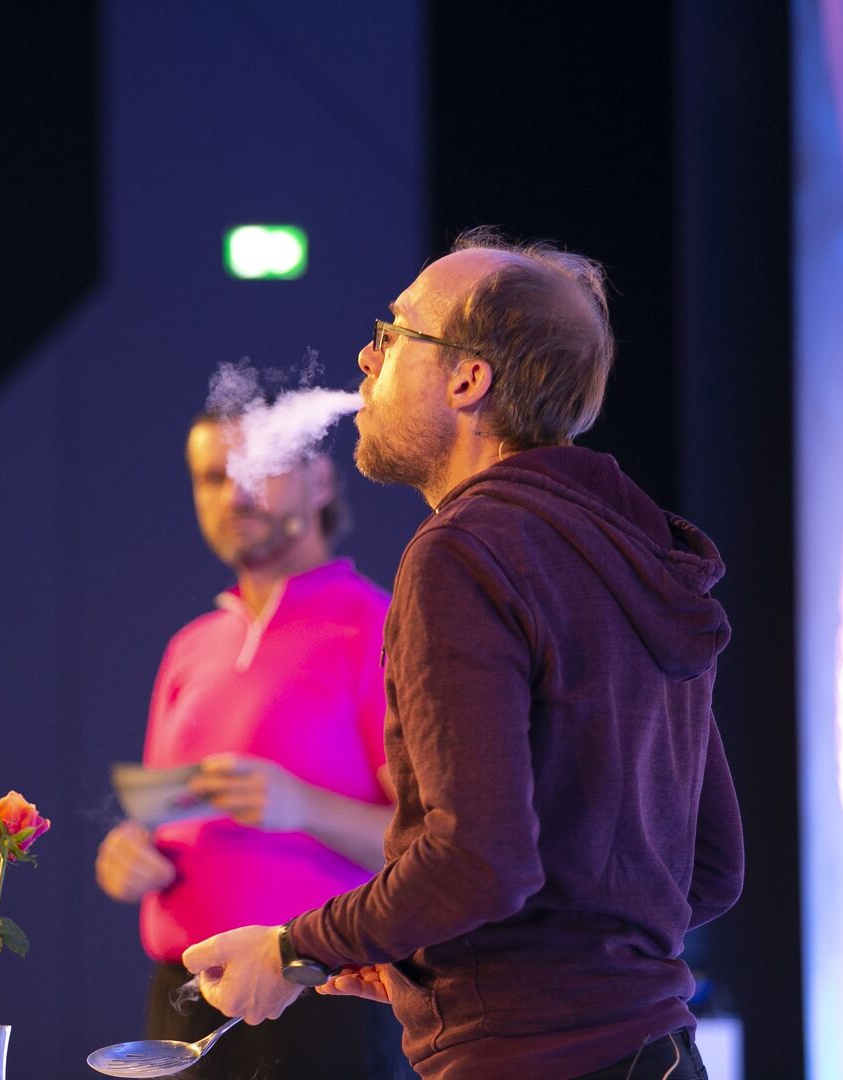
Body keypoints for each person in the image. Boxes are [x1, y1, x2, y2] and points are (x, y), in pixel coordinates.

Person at [180, 229, 744, 1080]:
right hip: (655, 1053)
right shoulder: (634, 552)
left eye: (394, 331)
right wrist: (449, 959)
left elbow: (477, 858)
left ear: (468, 380)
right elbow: (710, 869)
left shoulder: (463, 551)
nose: (366, 356)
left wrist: (293, 951)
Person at [95, 410, 411, 1078]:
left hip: (322, 1000)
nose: (233, 492)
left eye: (258, 467)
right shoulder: (190, 647)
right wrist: (129, 856)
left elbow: (434, 849)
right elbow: (161, 825)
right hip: (181, 1001)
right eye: (212, 476)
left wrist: (303, 807)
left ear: (320, 479)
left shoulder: (379, 629)